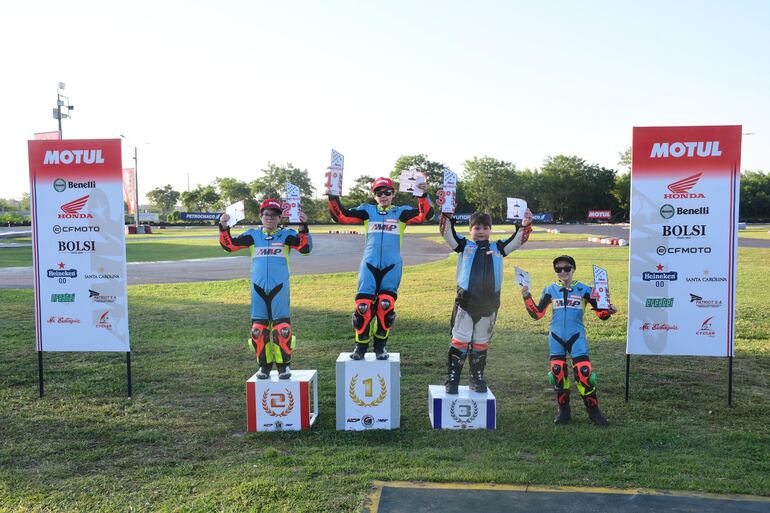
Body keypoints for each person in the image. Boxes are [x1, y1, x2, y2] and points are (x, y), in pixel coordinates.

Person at [328, 177, 434, 360]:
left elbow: (427, 215)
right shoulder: (367, 211)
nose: (383, 196)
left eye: (387, 192)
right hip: (369, 264)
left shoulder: (401, 213)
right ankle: (360, 347)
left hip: (392, 265)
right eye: (379, 193)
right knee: (363, 306)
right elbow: (341, 216)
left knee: (385, 305)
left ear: (393, 194)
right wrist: (333, 196)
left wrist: (423, 194)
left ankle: (380, 346)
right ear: (374, 195)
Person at [440, 210, 533, 394]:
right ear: (470, 229)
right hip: (466, 304)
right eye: (476, 228)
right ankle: (453, 379)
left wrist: (525, 224)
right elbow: (447, 233)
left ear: (490, 230)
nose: (481, 231)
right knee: (459, 341)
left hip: (489, 306)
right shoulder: (463, 245)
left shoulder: (498, 248)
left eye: (485, 228)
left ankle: (477, 378)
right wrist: (447, 215)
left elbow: (517, 240)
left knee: (480, 344)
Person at [218, 199, 312, 379]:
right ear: (261, 216)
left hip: (279, 288)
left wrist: (303, 227)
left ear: (280, 217)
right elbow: (229, 246)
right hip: (258, 289)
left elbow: (305, 248)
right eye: (266, 214)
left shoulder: (287, 235)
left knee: (282, 329)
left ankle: (284, 366)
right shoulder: (253, 235)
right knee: (258, 330)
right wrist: (223, 226)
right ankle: (264, 366)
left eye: (274, 215)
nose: (270, 218)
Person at [520, 255, 617, 426]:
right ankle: (564, 412)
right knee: (557, 372)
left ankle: (594, 413)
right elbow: (537, 314)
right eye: (558, 269)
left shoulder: (585, 289)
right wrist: (527, 296)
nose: (563, 272)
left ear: (573, 269)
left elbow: (602, 315)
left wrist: (609, 310)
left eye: (566, 268)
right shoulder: (550, 289)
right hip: (556, 336)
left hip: (576, 335)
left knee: (584, 372)